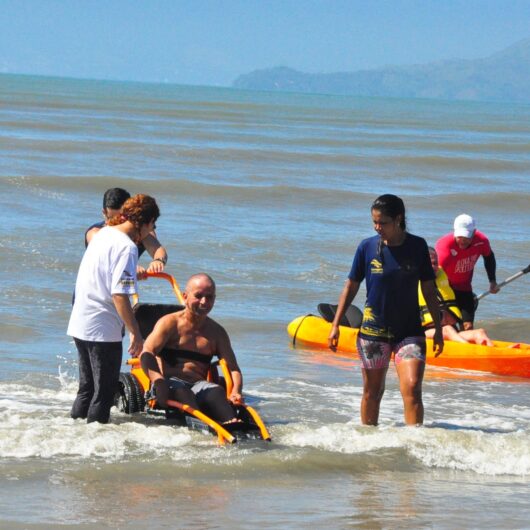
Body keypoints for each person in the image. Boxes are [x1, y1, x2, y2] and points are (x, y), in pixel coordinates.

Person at [327, 194, 443, 426]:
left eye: (383, 222)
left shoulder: (417, 246)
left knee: (412, 388)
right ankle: (370, 443)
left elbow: (429, 290)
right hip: (373, 332)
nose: (378, 227)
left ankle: (414, 443)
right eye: (374, 222)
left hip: (409, 331)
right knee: (372, 392)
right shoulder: (367, 247)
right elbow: (351, 285)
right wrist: (335, 324)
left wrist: (438, 329)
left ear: (398, 219)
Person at [68, 194, 160, 423]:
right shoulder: (127, 248)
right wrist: (136, 333)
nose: (152, 231)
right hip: (102, 328)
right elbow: (119, 295)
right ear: (145, 222)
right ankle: (95, 449)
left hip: (80, 320)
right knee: (104, 392)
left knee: (87, 388)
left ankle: (73, 433)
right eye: (153, 225)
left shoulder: (104, 234)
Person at [140, 273, 244, 424]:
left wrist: (236, 391)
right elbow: (146, 353)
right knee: (183, 392)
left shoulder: (217, 332)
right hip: (170, 383)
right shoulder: (170, 323)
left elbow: (234, 369)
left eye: (209, 297)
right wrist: (158, 380)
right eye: (198, 296)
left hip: (199, 385)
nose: (204, 301)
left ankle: (233, 424)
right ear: (185, 296)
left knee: (217, 391)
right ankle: (204, 426)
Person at [435, 214, 498, 330]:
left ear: (474, 233)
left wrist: (492, 281)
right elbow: (433, 273)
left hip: (464, 288)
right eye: (460, 236)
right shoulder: (445, 246)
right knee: (449, 328)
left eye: (467, 237)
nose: (463, 241)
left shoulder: (482, 241)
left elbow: (489, 257)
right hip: (445, 290)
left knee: (468, 326)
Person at [419, 247, 493, 346]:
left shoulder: (443, 276)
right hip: (424, 333)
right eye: (429, 263)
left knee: (479, 332)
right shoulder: (411, 282)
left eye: (435, 263)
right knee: (447, 330)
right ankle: (470, 351)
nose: (433, 267)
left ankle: (496, 353)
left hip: (451, 331)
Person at [85, 187, 168, 275]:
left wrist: (158, 261)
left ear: (130, 213)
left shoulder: (143, 230)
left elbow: (158, 249)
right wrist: (129, 268)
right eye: (111, 218)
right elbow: (106, 259)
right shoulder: (96, 233)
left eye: (121, 218)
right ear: (104, 213)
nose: (115, 222)